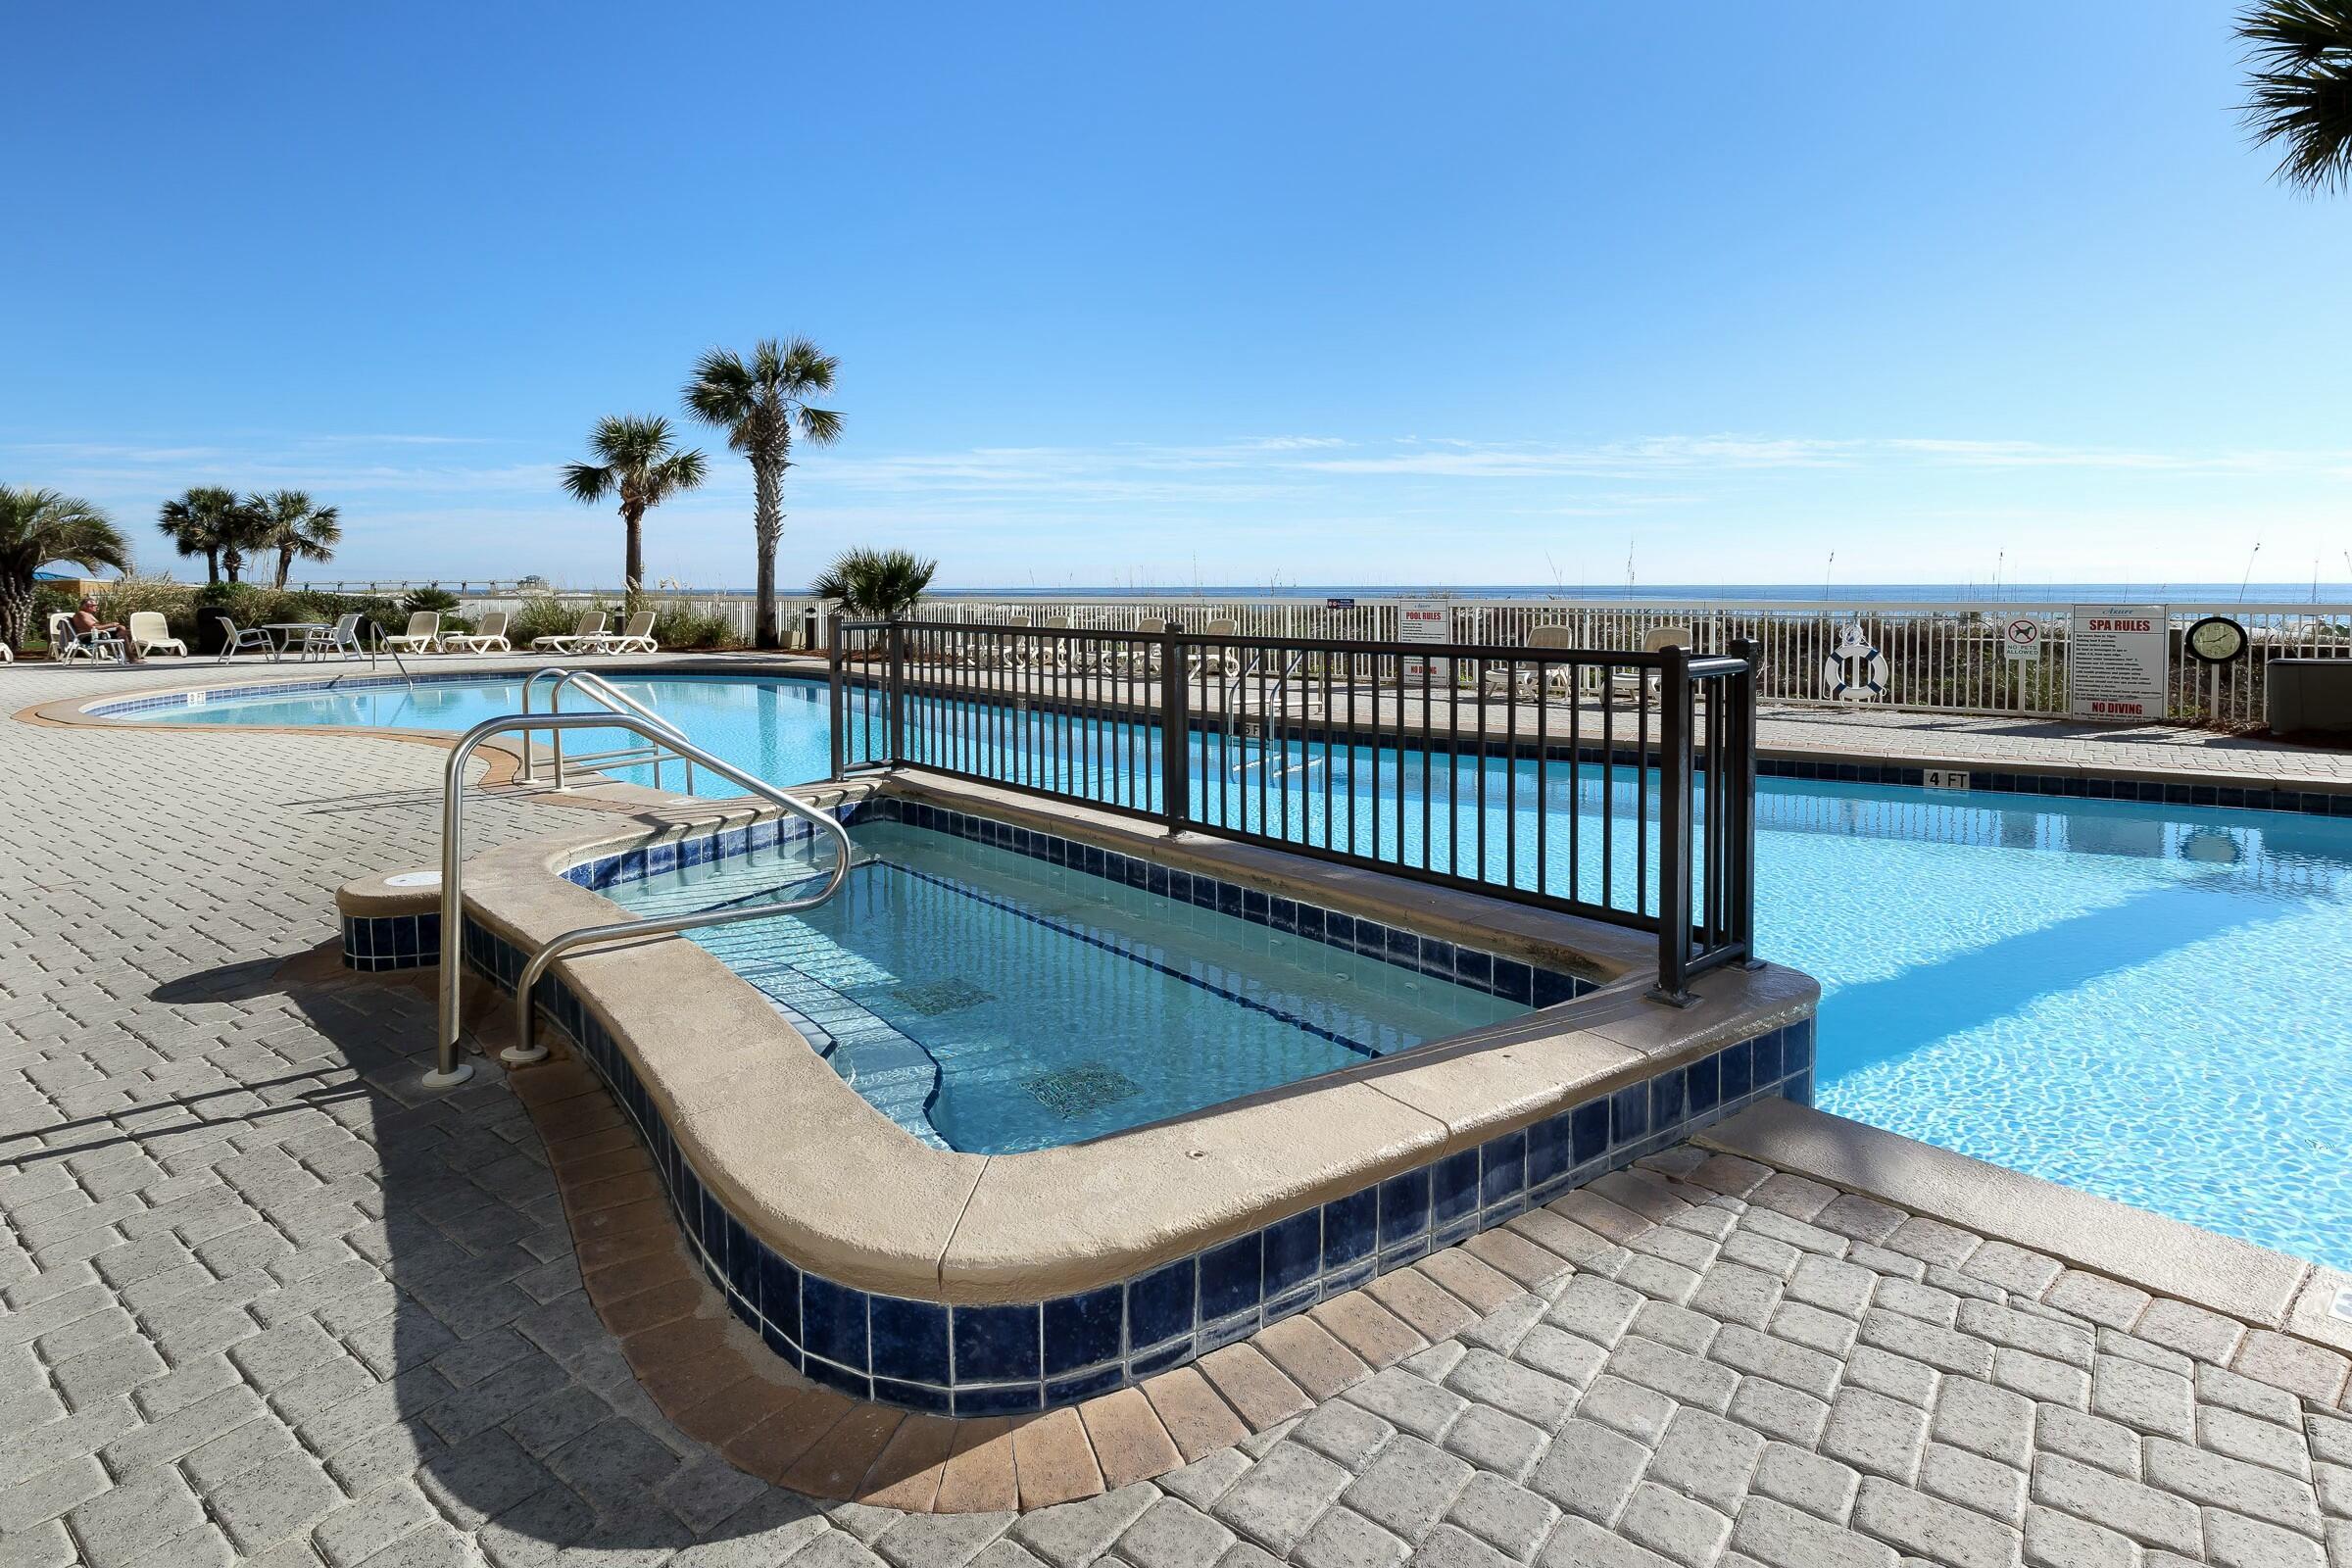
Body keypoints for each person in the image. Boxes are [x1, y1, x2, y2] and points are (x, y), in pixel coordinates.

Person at [67, 596, 142, 662]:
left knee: (123, 630)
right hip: (89, 638)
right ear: (87, 606)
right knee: (123, 632)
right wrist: (111, 625)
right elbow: (93, 628)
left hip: (94, 635)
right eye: (94, 605)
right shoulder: (82, 614)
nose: (96, 607)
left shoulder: (87, 614)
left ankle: (126, 655)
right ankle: (130, 657)